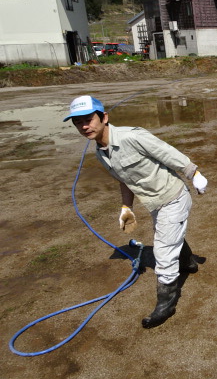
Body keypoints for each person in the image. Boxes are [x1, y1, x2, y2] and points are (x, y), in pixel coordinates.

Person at [63, 95, 208, 329]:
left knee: (163, 252)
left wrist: (194, 173)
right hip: (154, 201)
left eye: (88, 119)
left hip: (172, 196)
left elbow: (166, 152)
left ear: (104, 117)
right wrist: (126, 207)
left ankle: (165, 304)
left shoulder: (132, 136)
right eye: (78, 123)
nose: (84, 126)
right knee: (168, 237)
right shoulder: (101, 152)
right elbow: (124, 180)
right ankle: (188, 263)